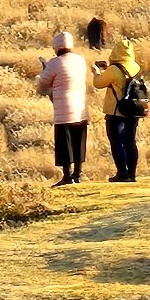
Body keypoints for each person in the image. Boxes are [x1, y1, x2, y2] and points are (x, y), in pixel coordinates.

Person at [37, 31, 89, 187]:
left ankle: (67, 176)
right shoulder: (80, 60)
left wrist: (44, 68)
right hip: (80, 107)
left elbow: (43, 83)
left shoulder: (54, 63)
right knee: (78, 140)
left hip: (63, 109)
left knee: (64, 142)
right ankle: (78, 174)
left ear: (56, 47)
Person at [92, 38, 142, 183]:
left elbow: (98, 83)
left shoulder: (113, 70)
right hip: (133, 110)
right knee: (130, 142)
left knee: (116, 142)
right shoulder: (136, 67)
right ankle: (132, 174)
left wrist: (96, 72)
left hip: (116, 111)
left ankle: (122, 173)